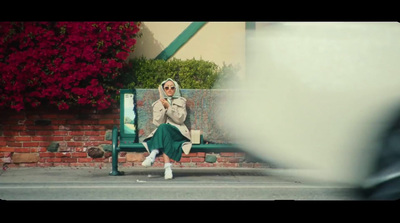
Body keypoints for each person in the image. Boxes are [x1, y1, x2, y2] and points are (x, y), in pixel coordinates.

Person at [141, 78, 192, 179]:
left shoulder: (181, 101)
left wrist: (169, 107)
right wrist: (163, 107)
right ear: (163, 90)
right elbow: (158, 122)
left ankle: (153, 154)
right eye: (166, 88)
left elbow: (180, 119)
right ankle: (167, 168)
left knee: (164, 129)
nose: (169, 89)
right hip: (164, 134)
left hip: (178, 132)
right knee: (164, 130)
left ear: (175, 89)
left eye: (172, 87)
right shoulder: (157, 104)